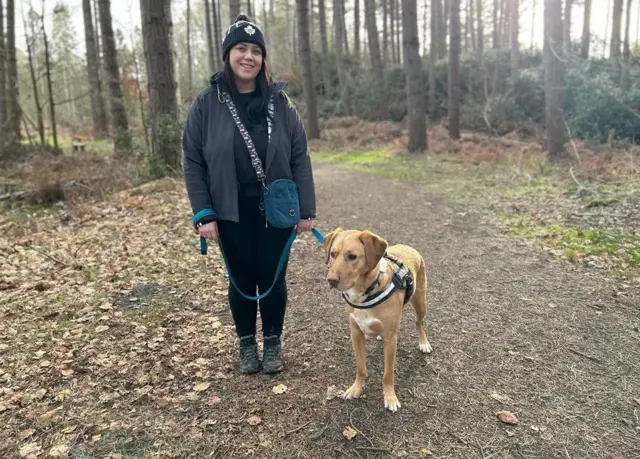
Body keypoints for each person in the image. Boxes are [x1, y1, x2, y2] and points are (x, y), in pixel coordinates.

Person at [182, 14, 317, 375]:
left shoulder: (281, 103)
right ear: (228, 54)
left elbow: (299, 157)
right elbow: (193, 161)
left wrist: (306, 210)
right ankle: (246, 345)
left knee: (272, 278)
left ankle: (272, 343)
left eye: (256, 50)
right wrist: (203, 212)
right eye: (241, 48)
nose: (248, 56)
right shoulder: (207, 103)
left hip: (278, 208)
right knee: (241, 280)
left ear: (263, 59)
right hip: (229, 210)